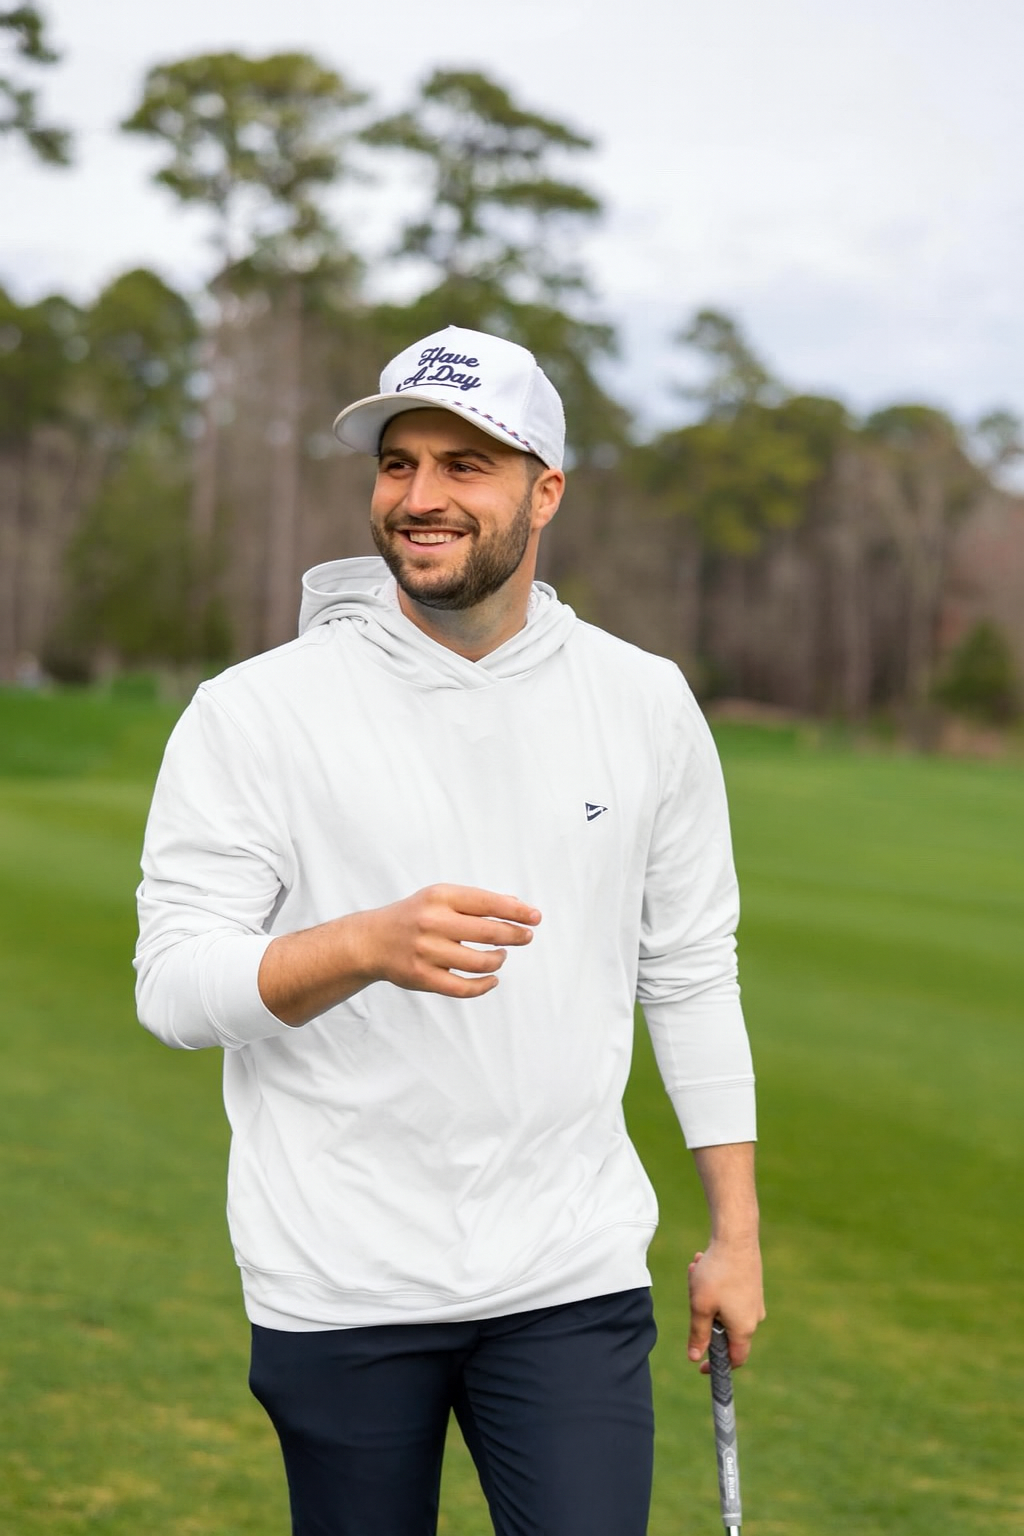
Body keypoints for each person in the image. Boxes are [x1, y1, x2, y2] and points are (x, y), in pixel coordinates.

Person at [135, 324, 764, 1536]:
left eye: (464, 465)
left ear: (545, 491)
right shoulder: (257, 711)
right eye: (398, 463)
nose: (419, 497)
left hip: (570, 1271)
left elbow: (689, 970)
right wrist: (361, 945)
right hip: (340, 1279)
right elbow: (171, 988)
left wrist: (733, 1235)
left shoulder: (644, 701)